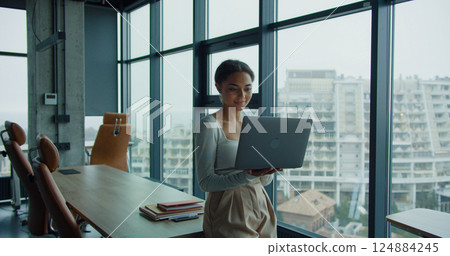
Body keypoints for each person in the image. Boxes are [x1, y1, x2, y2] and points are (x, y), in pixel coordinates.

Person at [195, 59, 282, 238]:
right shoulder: (209, 125)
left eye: (248, 88)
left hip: (261, 202)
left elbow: (263, 181)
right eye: (234, 88)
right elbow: (206, 183)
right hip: (227, 208)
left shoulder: (255, 124)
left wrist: (267, 170)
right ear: (219, 87)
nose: (242, 95)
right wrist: (249, 174)